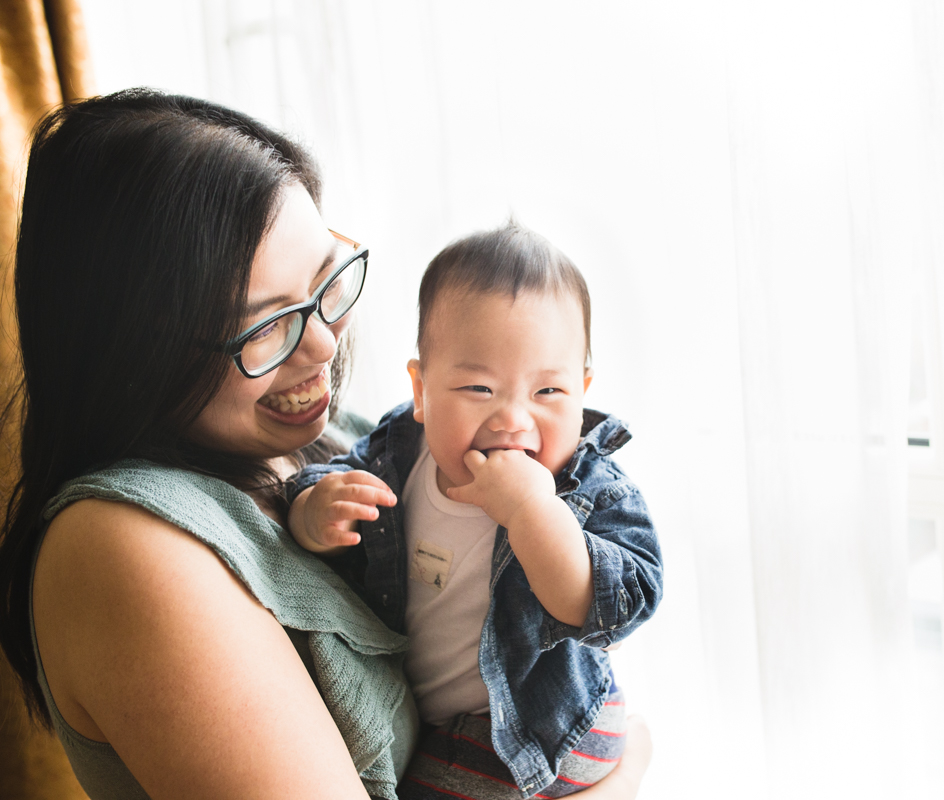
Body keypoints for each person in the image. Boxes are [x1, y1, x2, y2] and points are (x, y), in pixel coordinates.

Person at [0, 89, 650, 800]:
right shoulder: (120, 548)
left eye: (324, 285)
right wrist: (625, 767)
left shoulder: (333, 443)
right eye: (264, 327)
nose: (323, 344)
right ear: (133, 356)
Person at [286, 224, 664, 800]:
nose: (514, 419)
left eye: (548, 393)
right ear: (422, 390)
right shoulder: (399, 452)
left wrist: (533, 511)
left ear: (582, 393)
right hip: (437, 719)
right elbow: (329, 479)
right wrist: (315, 512)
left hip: (542, 727)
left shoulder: (587, 487)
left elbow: (612, 604)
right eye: (479, 389)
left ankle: (621, 771)